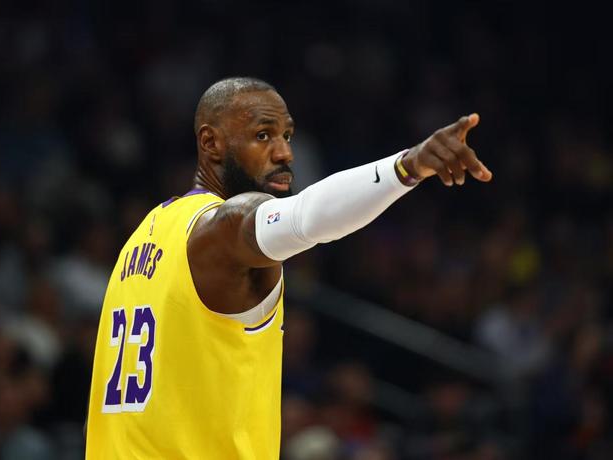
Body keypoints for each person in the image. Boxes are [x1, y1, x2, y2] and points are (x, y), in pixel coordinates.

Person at [85, 77, 492, 459]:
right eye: (263, 135)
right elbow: (305, 217)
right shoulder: (223, 228)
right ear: (211, 143)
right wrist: (407, 166)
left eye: (287, 136)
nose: (284, 153)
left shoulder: (143, 236)